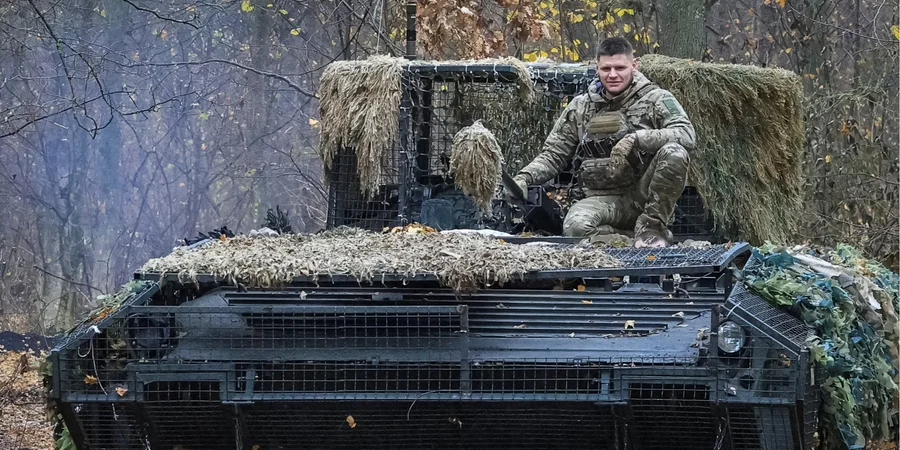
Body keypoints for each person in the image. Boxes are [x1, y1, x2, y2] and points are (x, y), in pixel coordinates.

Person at [512, 37, 695, 248]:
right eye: (606, 68)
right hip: (602, 200)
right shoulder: (580, 107)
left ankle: (652, 229)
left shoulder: (657, 99)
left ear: (634, 66)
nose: (613, 75)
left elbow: (686, 134)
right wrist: (524, 178)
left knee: (675, 152)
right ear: (596, 68)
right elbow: (553, 155)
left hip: (644, 196)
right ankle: (630, 239)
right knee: (575, 228)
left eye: (620, 67)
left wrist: (638, 139)